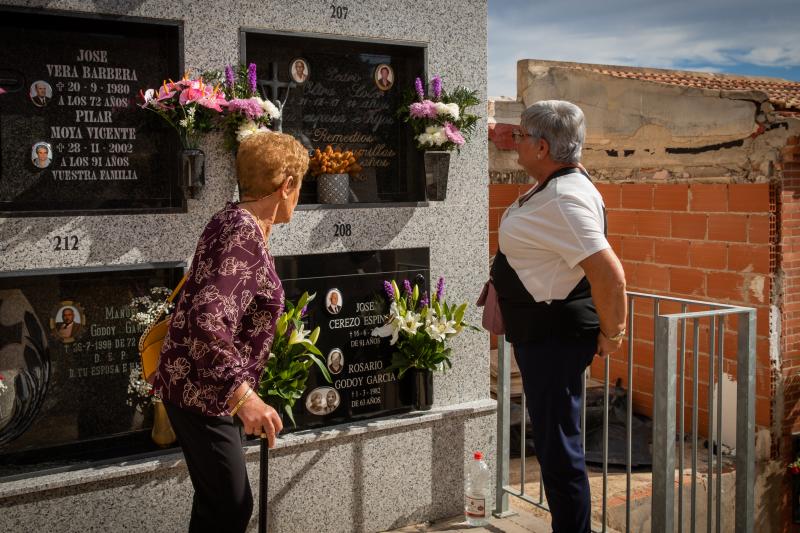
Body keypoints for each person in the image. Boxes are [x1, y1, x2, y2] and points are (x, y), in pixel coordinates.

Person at [152, 131, 309, 533]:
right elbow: (207, 318)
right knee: (231, 506)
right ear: (285, 184)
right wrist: (244, 398)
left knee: (218, 504)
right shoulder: (241, 232)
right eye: (299, 184)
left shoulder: (236, 221)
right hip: (202, 391)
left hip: (203, 388)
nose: (299, 194)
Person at [493, 100, 626, 533]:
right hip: (543, 337)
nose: (516, 145)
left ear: (544, 147)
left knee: (559, 450)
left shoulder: (566, 199)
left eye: (523, 139)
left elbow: (610, 275)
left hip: (554, 342)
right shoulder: (557, 182)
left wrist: (614, 332)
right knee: (555, 443)